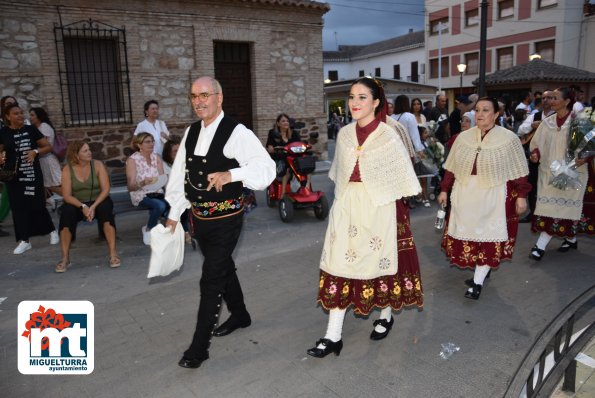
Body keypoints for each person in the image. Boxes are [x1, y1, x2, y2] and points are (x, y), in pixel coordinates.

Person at [307, 76, 423, 358]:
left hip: (379, 209)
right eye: (351, 97)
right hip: (347, 208)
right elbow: (339, 176)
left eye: (362, 97)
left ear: (376, 102)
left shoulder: (388, 136)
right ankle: (333, 336)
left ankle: (385, 315)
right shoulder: (345, 134)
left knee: (379, 264)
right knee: (338, 265)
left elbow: (400, 181)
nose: (355, 102)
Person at [165, 76, 275, 369]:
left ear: (219, 97)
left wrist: (233, 174)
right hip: (198, 220)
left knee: (211, 277)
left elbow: (267, 170)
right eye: (193, 96)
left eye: (204, 95)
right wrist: (174, 215)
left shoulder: (236, 132)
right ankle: (240, 315)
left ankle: (199, 348)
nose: (198, 101)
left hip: (227, 219)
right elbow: (179, 175)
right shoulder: (190, 132)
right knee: (222, 265)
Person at [438, 97, 530, 300]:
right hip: (464, 195)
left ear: (496, 114)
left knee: (489, 238)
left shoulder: (509, 139)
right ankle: (481, 271)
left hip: (493, 195)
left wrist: (521, 195)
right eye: (477, 110)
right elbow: (451, 168)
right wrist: (444, 189)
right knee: (469, 237)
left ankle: (477, 283)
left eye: (486, 110)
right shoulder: (462, 138)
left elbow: (519, 171)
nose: (480, 114)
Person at [529, 87, 592, 260]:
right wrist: (535, 154)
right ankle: (571, 239)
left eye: (555, 98)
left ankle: (539, 246)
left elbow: (590, 143)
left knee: (561, 208)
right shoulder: (547, 122)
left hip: (571, 173)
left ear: (567, 101)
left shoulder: (579, 121)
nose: (550, 101)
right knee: (551, 207)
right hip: (548, 172)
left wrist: (585, 156)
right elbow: (537, 143)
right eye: (550, 98)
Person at [0, 103, 59, 254]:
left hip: (32, 174)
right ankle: (25, 240)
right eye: (15, 113)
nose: (20, 115)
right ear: (7, 117)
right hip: (14, 177)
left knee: (37, 205)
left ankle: (52, 231)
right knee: (19, 208)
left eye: (21, 113)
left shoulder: (30, 129)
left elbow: (47, 147)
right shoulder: (3, 132)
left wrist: (35, 151)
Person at [55, 141, 119, 272]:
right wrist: (83, 206)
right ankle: (65, 258)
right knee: (66, 214)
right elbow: (67, 196)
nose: (89, 152)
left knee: (106, 210)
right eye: (85, 151)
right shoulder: (67, 169)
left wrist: (93, 207)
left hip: (98, 201)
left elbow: (106, 189)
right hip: (77, 203)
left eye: (89, 150)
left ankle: (113, 255)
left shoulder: (97, 165)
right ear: (76, 155)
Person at [517, 91, 554, 222]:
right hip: (535, 157)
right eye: (543, 98)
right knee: (532, 185)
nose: (545, 100)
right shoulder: (535, 115)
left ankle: (547, 214)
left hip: (552, 158)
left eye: (549, 98)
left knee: (549, 187)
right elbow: (521, 129)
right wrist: (531, 125)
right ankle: (532, 213)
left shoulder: (558, 116)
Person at [126, 132, 169, 245]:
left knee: (174, 203)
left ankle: (165, 230)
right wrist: (142, 183)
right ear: (139, 145)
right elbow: (131, 187)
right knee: (160, 205)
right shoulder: (133, 160)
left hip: (157, 192)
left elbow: (162, 179)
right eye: (147, 142)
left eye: (152, 141)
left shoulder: (156, 157)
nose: (151, 144)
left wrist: (167, 183)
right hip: (140, 194)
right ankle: (149, 229)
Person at [29, 107, 62, 208]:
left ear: (39, 116)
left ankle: (73, 198)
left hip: (47, 160)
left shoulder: (44, 127)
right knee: (43, 185)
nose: (30, 118)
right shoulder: (37, 128)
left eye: (32, 115)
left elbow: (44, 145)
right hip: (42, 160)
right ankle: (43, 205)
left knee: (52, 185)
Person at [162, 136, 192, 244]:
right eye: (175, 151)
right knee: (180, 205)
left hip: (186, 192)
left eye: (180, 150)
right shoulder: (165, 165)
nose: (179, 153)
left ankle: (187, 231)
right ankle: (185, 232)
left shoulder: (186, 163)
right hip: (170, 194)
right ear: (168, 153)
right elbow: (167, 184)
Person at [266, 113, 302, 197]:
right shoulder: (272, 133)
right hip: (279, 159)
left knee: (306, 168)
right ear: (278, 123)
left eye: (287, 121)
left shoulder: (294, 133)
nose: (286, 122)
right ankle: (283, 194)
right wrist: (272, 148)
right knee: (287, 169)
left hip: (293, 158)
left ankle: (305, 190)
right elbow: (269, 146)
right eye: (283, 121)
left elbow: (299, 144)